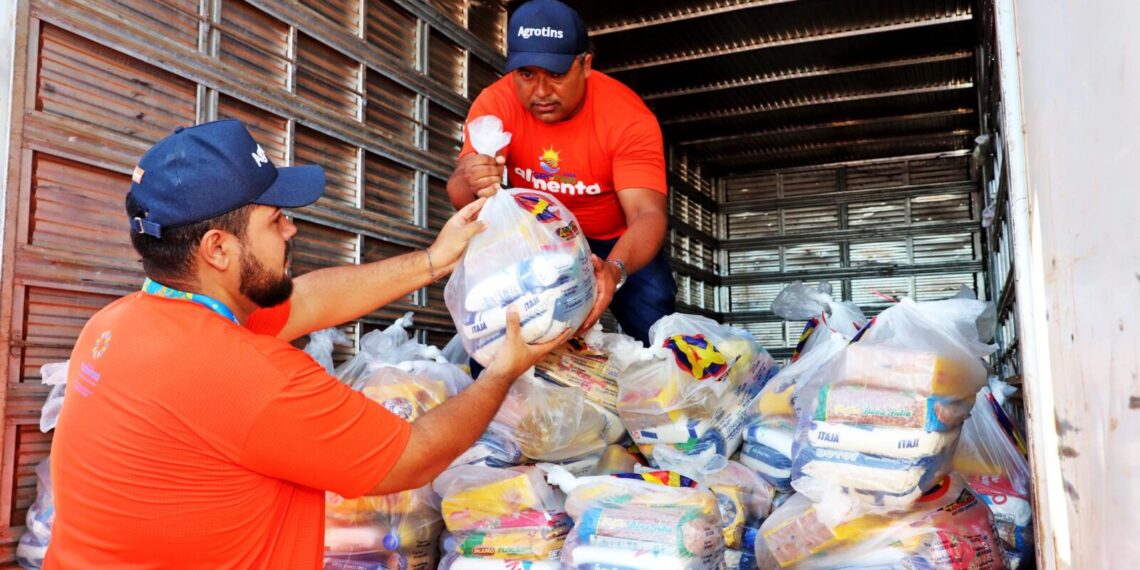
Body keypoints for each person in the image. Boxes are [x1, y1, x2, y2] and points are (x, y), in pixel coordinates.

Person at [44, 119, 567, 569]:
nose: (291, 230)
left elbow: (309, 300)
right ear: (217, 249)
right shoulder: (253, 376)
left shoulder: (116, 322)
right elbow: (412, 456)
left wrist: (434, 260)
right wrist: (501, 371)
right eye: (276, 219)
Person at [447, 0, 676, 346]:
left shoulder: (628, 118)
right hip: (537, 237)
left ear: (585, 65)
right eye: (526, 74)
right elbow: (463, 200)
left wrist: (614, 270)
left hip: (615, 238)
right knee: (499, 335)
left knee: (656, 320)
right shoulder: (496, 104)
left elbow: (647, 214)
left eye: (556, 74)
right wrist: (469, 177)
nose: (541, 92)